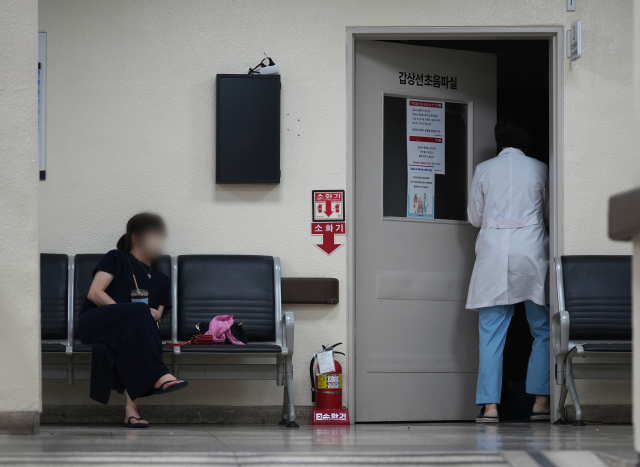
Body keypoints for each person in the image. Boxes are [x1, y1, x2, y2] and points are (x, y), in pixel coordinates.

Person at [466, 114, 550, 423]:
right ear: (528, 141)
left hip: (494, 252)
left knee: (491, 333)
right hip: (531, 251)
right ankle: (541, 402)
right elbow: (551, 213)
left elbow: (475, 217)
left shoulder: (484, 169)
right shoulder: (541, 168)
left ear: (500, 139)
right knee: (542, 330)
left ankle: (490, 407)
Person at [79, 212, 188, 428]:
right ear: (137, 238)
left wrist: (151, 314)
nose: (160, 241)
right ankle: (160, 375)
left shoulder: (161, 278)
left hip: (131, 332)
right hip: (96, 322)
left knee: (139, 329)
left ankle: (131, 410)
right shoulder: (116, 258)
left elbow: (158, 313)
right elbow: (95, 293)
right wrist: (130, 313)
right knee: (137, 313)